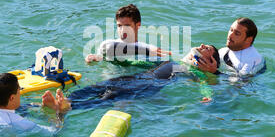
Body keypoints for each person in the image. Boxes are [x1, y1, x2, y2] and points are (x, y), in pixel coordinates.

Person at [44, 44, 221, 111]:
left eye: (208, 49)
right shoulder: (170, 60)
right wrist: (106, 58)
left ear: (209, 61)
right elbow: (138, 64)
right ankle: (68, 98)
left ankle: (69, 107)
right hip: (139, 77)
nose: (203, 45)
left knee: (112, 95)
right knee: (101, 86)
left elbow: (204, 84)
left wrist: (208, 95)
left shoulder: (195, 72)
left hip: (150, 85)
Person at [0, 73, 69, 136]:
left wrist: (39, 105)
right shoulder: (21, 123)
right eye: (19, 90)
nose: (20, 93)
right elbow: (55, 132)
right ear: (12, 98)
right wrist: (60, 112)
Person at [85, 4, 170, 63]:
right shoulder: (107, 44)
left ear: (138, 25)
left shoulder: (149, 49)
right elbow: (102, 57)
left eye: (127, 26)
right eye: (119, 26)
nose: (122, 30)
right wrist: (94, 59)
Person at [198, 18, 265, 77]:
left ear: (248, 39)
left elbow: (239, 84)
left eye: (237, 33)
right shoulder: (224, 51)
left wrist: (214, 72)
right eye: (231, 30)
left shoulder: (252, 60)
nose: (230, 35)